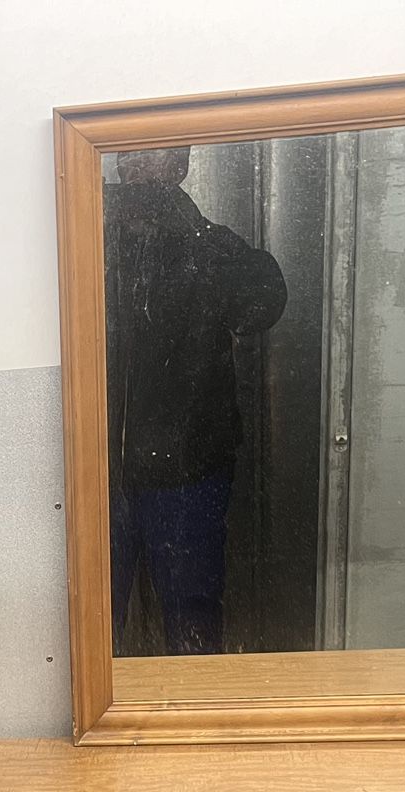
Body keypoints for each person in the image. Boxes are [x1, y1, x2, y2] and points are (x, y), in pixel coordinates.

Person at [105, 146, 287, 655]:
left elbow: (264, 300)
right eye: (128, 156)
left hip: (186, 474)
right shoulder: (86, 236)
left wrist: (185, 229)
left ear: (182, 167)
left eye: (154, 156)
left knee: (192, 619)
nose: (136, 166)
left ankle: (195, 723)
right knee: (95, 622)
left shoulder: (205, 244)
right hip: (98, 476)